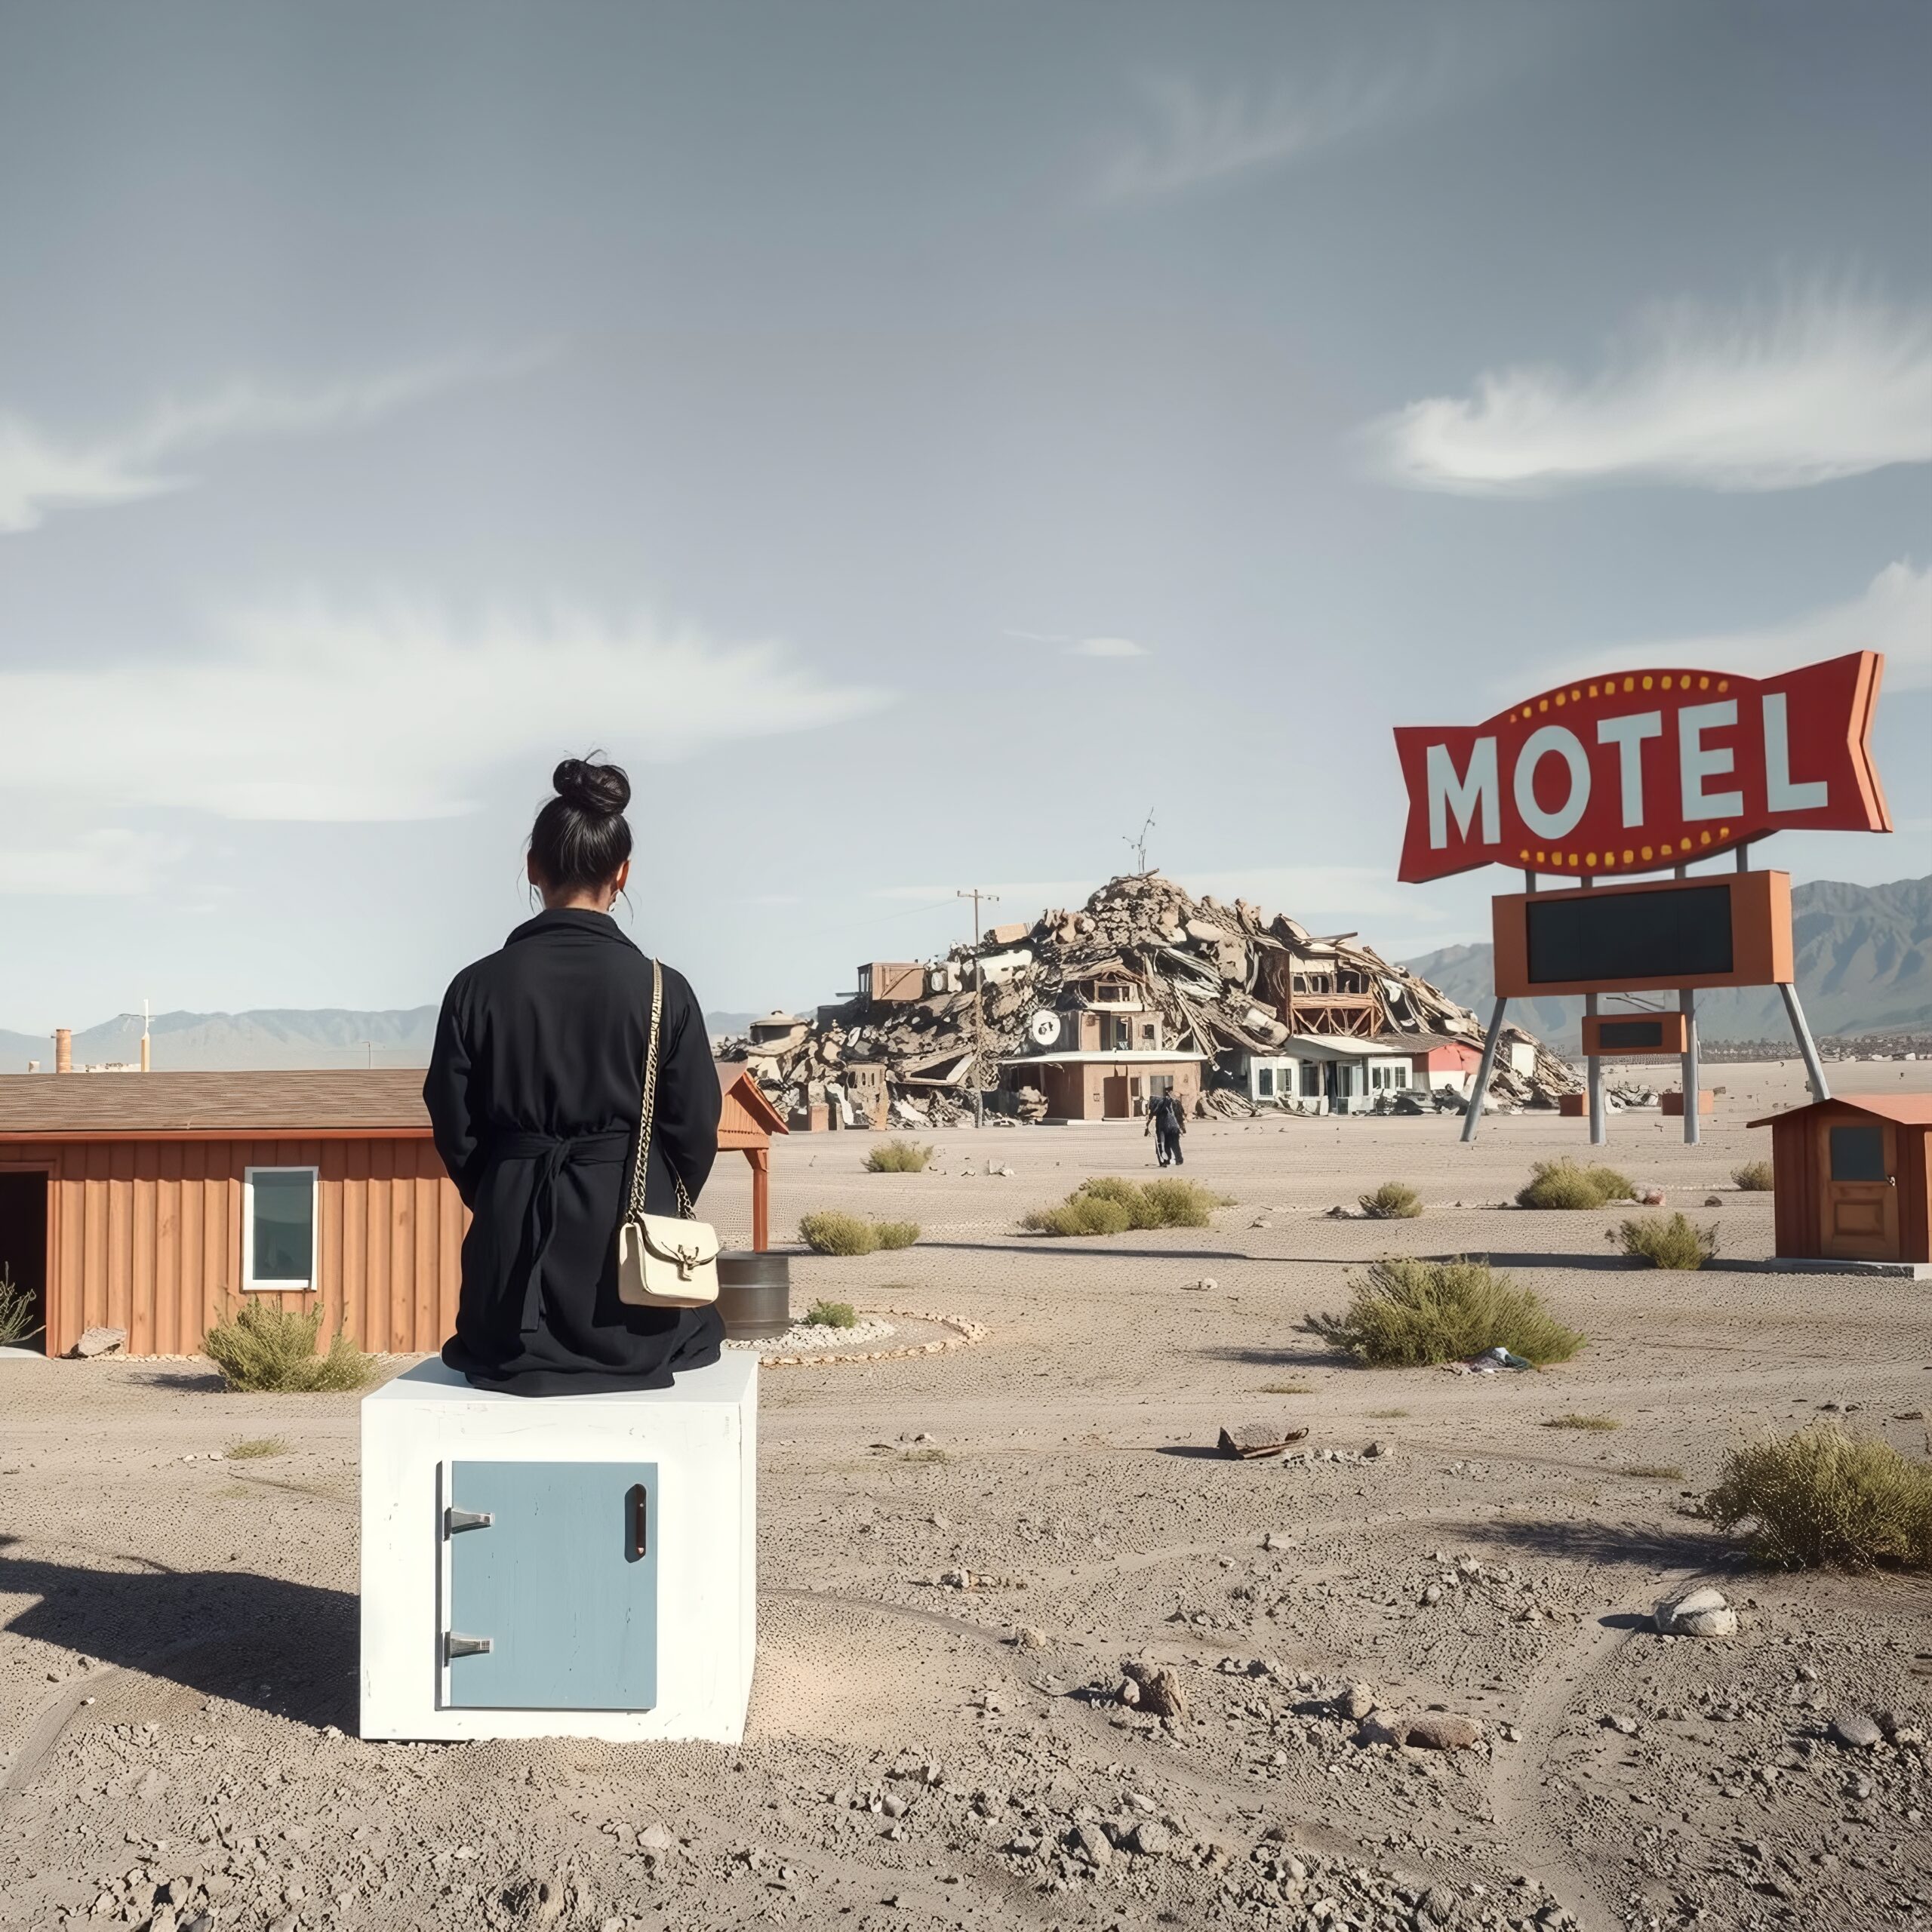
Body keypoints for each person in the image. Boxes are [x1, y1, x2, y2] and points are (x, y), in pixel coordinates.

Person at [425, 756, 723, 1397]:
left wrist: (508, 1190)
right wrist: (649, 1197)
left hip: (509, 1283)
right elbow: (695, 1135)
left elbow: (456, 1131)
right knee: (690, 1344)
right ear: (623, 873)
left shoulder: (474, 988)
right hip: (635, 1280)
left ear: (533, 867)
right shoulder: (663, 989)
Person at [1144, 1088, 1186, 1168]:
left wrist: (1147, 1127)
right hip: (1173, 1126)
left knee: (1164, 1144)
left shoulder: (1158, 1106)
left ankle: (1166, 1161)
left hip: (1164, 1127)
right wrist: (1182, 1128)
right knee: (1175, 1144)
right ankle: (1178, 1160)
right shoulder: (1172, 1103)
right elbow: (1180, 1116)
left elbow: (1151, 1116)